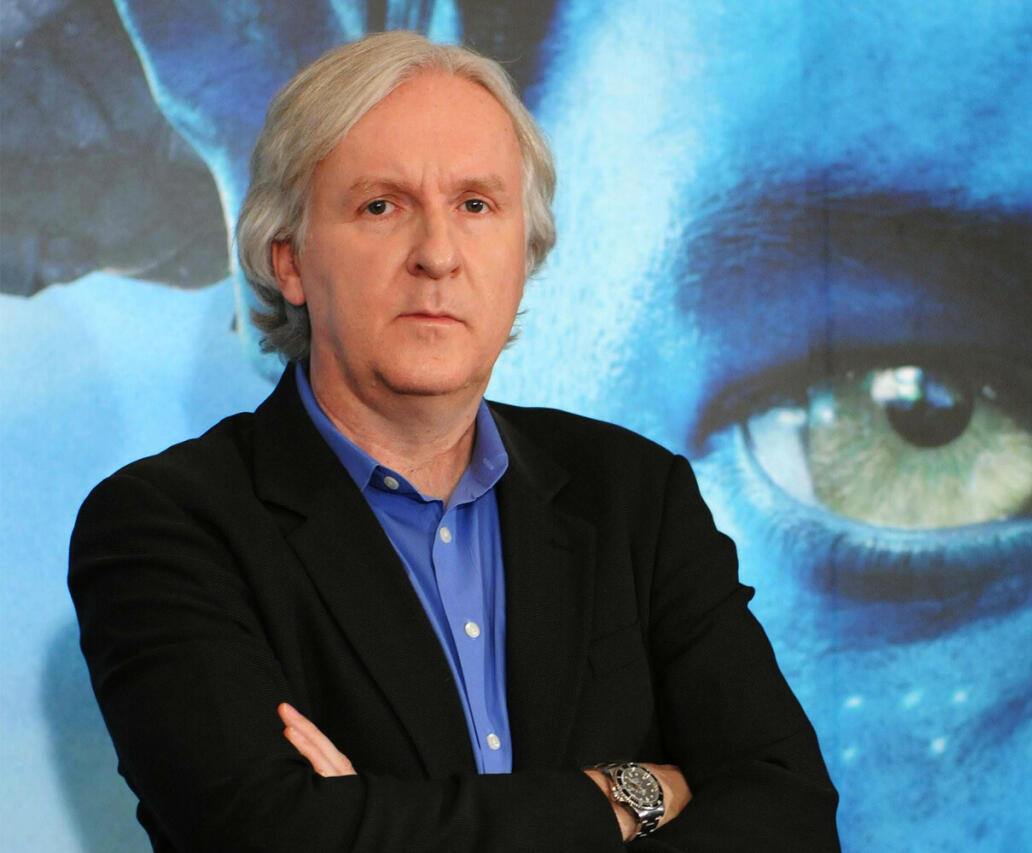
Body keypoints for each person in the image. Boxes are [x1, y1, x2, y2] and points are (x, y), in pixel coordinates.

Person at [68, 31, 838, 852]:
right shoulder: (166, 527)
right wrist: (627, 795)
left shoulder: (635, 494)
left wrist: (376, 817)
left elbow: (789, 813)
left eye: (476, 205)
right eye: (381, 206)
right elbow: (272, 835)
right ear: (288, 261)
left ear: (524, 253)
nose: (437, 255)